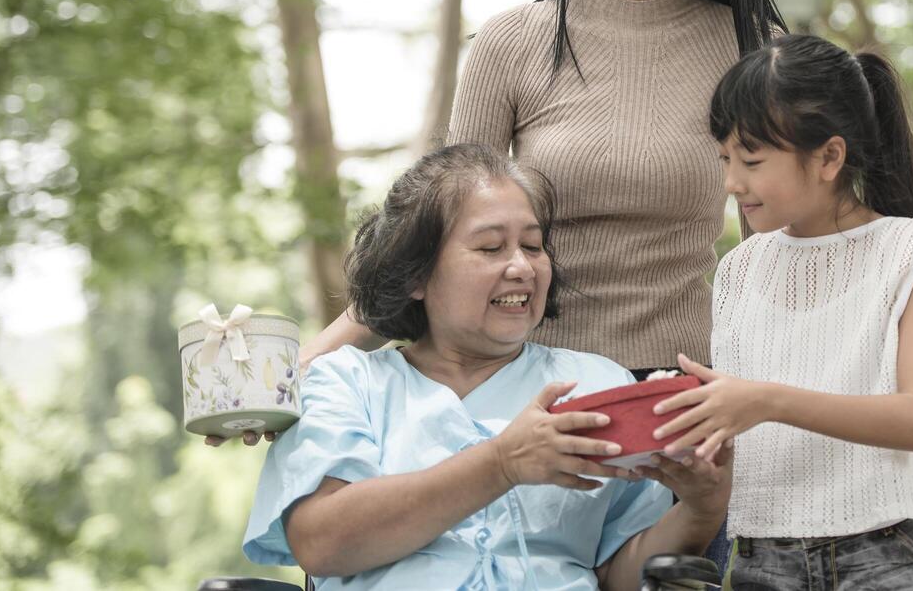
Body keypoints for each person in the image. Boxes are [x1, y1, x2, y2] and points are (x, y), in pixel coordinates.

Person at [300, 0, 783, 381]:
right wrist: (305, 364)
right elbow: (437, 230)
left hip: (683, 394)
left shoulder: (753, 52)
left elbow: (781, 253)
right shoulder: (511, 44)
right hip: (526, 394)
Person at [242, 143, 730, 590]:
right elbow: (321, 543)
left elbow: (621, 573)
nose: (522, 267)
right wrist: (501, 463)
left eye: (534, 246)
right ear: (416, 274)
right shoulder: (345, 382)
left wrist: (702, 508)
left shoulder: (600, 385)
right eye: (491, 248)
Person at [651, 34, 913, 590]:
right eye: (725, 159)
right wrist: (691, 415)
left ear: (829, 156)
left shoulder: (906, 248)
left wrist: (766, 400)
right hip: (758, 560)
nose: (732, 183)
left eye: (751, 160)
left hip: (883, 555)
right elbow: (742, 436)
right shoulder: (739, 269)